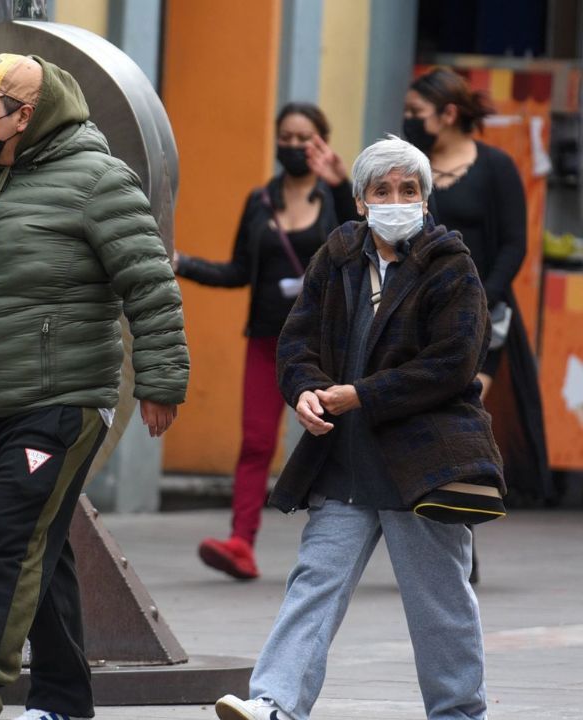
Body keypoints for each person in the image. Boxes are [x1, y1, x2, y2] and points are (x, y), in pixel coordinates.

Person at [0, 53, 189, 720]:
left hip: (63, 401)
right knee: (38, 550)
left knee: (10, 547)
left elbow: (151, 286)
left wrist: (161, 379)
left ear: (26, 115)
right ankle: (65, 701)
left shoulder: (100, 182)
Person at [215, 136, 501, 720]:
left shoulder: (452, 266)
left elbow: (452, 364)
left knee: (439, 601)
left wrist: (360, 395)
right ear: (361, 200)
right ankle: (274, 703)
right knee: (313, 585)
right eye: (382, 190)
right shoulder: (337, 255)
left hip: (423, 463)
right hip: (344, 460)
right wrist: (305, 391)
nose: (396, 199)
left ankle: (458, 713)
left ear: (425, 202)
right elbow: (296, 340)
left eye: (409, 190)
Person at [173, 103, 358, 580]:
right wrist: (183, 263)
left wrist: (340, 183)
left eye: (305, 138)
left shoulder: (336, 198)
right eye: (286, 137)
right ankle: (241, 543)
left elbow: (355, 244)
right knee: (256, 442)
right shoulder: (260, 202)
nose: (294, 147)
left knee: (338, 440)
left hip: (325, 343)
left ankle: (344, 543)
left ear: (322, 143)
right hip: (267, 342)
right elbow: (238, 271)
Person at [403, 67, 551, 507]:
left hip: (484, 316)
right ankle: (440, 512)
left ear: (448, 113)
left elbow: (514, 244)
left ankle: (463, 517)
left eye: (417, 111)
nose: (408, 119)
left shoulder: (495, 166)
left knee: (462, 411)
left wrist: (482, 300)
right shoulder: (411, 169)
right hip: (420, 314)